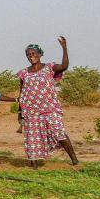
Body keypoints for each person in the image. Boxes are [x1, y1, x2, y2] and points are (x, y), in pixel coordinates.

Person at [17, 37, 78, 168]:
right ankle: (34, 166)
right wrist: (20, 112)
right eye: (28, 55)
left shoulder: (49, 67)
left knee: (59, 132)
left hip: (50, 108)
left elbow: (64, 66)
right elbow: (22, 94)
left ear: (40, 54)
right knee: (32, 137)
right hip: (31, 111)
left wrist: (64, 48)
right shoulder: (23, 73)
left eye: (33, 54)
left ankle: (74, 160)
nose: (31, 56)